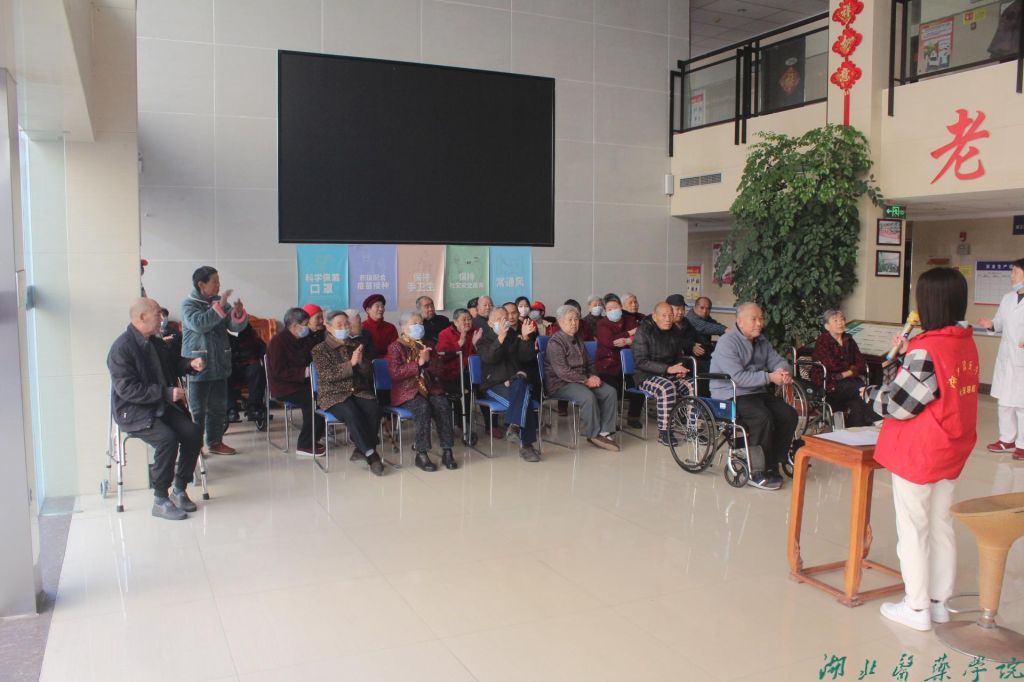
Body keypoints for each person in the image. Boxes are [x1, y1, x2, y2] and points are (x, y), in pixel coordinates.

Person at [868, 268, 979, 632]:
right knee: (941, 525)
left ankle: (916, 607)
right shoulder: (965, 342)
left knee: (914, 529)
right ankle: (939, 603)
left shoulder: (927, 349)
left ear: (928, 303)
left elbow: (897, 405)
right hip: (951, 448)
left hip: (920, 452)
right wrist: (904, 354)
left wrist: (868, 395)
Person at [108, 298, 205, 520]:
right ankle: (160, 499)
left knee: (193, 432)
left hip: (161, 405)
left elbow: (172, 364)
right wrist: (165, 393)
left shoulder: (155, 342)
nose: (162, 318)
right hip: (134, 411)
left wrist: (190, 364)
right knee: (167, 439)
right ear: (142, 317)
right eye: (157, 313)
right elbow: (128, 389)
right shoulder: (121, 348)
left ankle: (179, 489)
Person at [709, 303, 797, 491]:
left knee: (788, 414)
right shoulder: (727, 342)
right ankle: (756, 470)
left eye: (761, 319)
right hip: (731, 393)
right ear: (740, 321)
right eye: (754, 319)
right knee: (762, 417)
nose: (759, 323)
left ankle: (773, 462)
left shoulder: (762, 341)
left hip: (756, 392)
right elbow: (738, 377)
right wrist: (770, 377)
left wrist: (782, 371)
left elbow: (778, 361)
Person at [181, 265, 248, 455]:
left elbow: (234, 327)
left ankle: (215, 442)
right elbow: (199, 324)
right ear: (201, 285)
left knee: (218, 408)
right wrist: (218, 308)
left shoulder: (219, 302)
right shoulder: (188, 304)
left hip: (219, 362)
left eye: (219, 281)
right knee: (197, 411)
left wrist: (237, 314)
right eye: (215, 281)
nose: (219, 285)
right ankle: (195, 446)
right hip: (197, 365)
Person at [311, 310, 385, 475]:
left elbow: (367, 374)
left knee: (374, 408)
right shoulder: (320, 349)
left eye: (346, 324)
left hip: (357, 391)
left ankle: (361, 449)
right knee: (351, 412)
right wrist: (350, 364)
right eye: (339, 325)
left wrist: (361, 363)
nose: (344, 328)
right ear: (328, 327)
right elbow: (327, 375)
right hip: (333, 394)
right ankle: (371, 455)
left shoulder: (355, 345)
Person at [387, 312, 457, 471]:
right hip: (407, 391)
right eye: (414, 323)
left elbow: (440, 370)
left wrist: (428, 361)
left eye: (420, 323)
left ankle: (447, 450)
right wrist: (419, 363)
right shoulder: (396, 346)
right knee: (422, 408)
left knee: (442, 404)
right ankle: (421, 453)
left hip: (430, 387)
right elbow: (395, 373)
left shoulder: (428, 344)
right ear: (403, 327)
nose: (418, 326)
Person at [545, 305, 620, 451]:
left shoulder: (578, 338)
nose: (574, 323)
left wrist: (594, 376)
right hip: (561, 384)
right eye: (570, 320)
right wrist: (586, 380)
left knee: (610, 392)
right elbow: (563, 372)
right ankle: (593, 434)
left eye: (576, 319)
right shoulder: (555, 342)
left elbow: (590, 362)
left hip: (582, 380)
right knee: (587, 396)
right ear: (560, 322)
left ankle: (605, 432)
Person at [476, 306, 542, 461]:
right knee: (526, 403)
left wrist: (525, 338)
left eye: (505, 319)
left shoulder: (513, 336)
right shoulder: (483, 341)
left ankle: (514, 426)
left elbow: (526, 357)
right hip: (494, 385)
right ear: (490, 323)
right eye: (498, 319)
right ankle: (526, 446)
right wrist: (500, 338)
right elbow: (490, 358)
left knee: (522, 388)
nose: (503, 322)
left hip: (515, 382)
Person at [978, 257, 1024, 459]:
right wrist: (991, 324)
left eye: (1015, 272)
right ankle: (1007, 439)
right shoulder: (1008, 298)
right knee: (1005, 402)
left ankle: (1023, 444)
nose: (1011, 276)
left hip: (1021, 358)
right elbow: (1000, 322)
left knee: (1021, 404)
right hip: (1007, 358)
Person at [633, 303, 696, 447]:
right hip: (646, 375)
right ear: (655, 317)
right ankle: (665, 432)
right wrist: (668, 369)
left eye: (670, 315)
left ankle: (692, 430)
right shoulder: (643, 331)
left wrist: (680, 368)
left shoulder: (675, 331)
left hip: (669, 372)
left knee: (693, 385)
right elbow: (641, 362)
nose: (668, 319)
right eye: (664, 316)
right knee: (666, 387)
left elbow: (679, 355)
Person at [267, 307, 325, 456]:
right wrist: (304, 372)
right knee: (313, 400)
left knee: (323, 394)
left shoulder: (303, 338)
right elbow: (279, 371)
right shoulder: (278, 342)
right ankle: (304, 444)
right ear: (294, 325)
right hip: (284, 387)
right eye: (305, 325)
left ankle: (315, 437)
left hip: (302, 383)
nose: (307, 328)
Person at [811, 309, 874, 427]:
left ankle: (855, 430)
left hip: (849, 382)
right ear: (827, 326)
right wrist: (852, 369)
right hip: (829, 383)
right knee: (862, 390)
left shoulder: (848, 339)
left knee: (858, 402)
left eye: (842, 320)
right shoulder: (823, 341)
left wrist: (847, 373)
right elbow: (831, 365)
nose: (840, 323)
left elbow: (861, 362)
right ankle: (874, 421)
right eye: (835, 321)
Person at [594, 293, 643, 429]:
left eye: (615, 308)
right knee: (612, 391)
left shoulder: (629, 319)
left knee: (637, 388)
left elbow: (640, 335)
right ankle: (610, 421)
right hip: (608, 365)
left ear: (621, 307)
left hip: (628, 365)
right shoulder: (602, 323)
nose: (613, 311)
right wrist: (629, 333)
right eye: (609, 309)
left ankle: (633, 418)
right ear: (605, 311)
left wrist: (629, 340)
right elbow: (610, 342)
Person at [436, 308, 483, 445]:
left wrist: (475, 344)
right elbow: (441, 356)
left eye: (469, 319)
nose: (467, 322)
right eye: (464, 320)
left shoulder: (476, 332)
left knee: (471, 388)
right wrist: (459, 344)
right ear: (455, 322)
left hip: (469, 373)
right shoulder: (445, 334)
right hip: (449, 375)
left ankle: (466, 424)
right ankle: (461, 424)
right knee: (461, 390)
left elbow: (479, 356)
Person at [228, 323, 266, 423]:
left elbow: (264, 351)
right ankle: (231, 409)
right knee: (222, 373)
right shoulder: (221, 334)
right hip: (230, 369)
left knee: (257, 369)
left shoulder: (250, 334)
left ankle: (254, 407)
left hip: (248, 368)